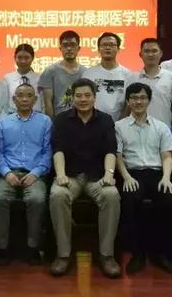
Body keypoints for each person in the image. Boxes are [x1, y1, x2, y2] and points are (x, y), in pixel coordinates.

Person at [49, 78, 121, 279]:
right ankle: (63, 255)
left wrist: (109, 174)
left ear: (94, 98)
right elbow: (58, 150)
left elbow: (110, 150)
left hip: (97, 177)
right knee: (57, 195)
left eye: (87, 95)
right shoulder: (61, 120)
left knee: (111, 195)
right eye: (78, 95)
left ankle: (106, 255)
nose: (83, 99)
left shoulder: (105, 120)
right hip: (70, 176)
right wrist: (60, 175)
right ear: (72, 98)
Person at [115, 82, 172, 275]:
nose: (138, 101)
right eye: (134, 98)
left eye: (142, 97)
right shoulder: (118, 126)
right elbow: (118, 157)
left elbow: (167, 156)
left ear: (149, 101)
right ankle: (137, 255)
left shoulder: (161, 127)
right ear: (128, 101)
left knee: (169, 200)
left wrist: (166, 178)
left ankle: (163, 254)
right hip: (131, 173)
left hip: (158, 173)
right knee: (130, 201)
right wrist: (126, 177)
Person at [0, 83, 52, 266]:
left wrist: (36, 173)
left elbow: (48, 152)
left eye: (29, 95)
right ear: (14, 99)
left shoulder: (45, 122)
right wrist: (6, 173)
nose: (25, 99)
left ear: (35, 99)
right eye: (20, 95)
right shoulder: (3, 123)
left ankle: (33, 247)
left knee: (37, 199)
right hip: (8, 173)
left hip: (35, 174)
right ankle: (2, 248)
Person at [129, 38, 172, 126]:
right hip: (136, 129)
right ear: (140, 54)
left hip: (164, 129)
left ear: (161, 53)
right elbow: (128, 107)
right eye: (146, 51)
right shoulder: (132, 78)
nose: (150, 54)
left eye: (154, 51)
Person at [83, 32, 132, 121]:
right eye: (104, 45)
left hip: (119, 124)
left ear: (118, 49)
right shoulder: (88, 74)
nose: (108, 48)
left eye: (112, 45)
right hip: (92, 123)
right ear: (98, 49)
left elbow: (128, 104)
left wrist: (120, 123)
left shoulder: (127, 75)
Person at [38, 30, 86, 119]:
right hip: (59, 121)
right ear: (60, 48)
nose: (69, 48)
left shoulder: (85, 72)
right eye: (65, 45)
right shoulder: (50, 71)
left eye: (72, 45)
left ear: (78, 48)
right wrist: (52, 124)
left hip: (81, 120)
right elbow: (47, 103)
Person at [3, 44, 43, 114]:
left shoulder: (40, 78)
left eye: (26, 58)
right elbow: (5, 103)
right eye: (19, 57)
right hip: (13, 116)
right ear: (15, 58)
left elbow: (43, 103)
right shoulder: (7, 78)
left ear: (33, 58)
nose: (23, 61)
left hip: (36, 116)